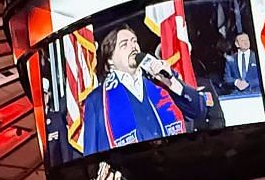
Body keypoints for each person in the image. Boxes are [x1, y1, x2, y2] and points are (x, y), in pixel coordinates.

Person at [81, 25, 210, 155]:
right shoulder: (97, 100)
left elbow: (198, 110)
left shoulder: (161, 81)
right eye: (124, 44)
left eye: (135, 41)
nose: (133, 46)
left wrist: (171, 83)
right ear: (110, 60)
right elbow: (91, 154)